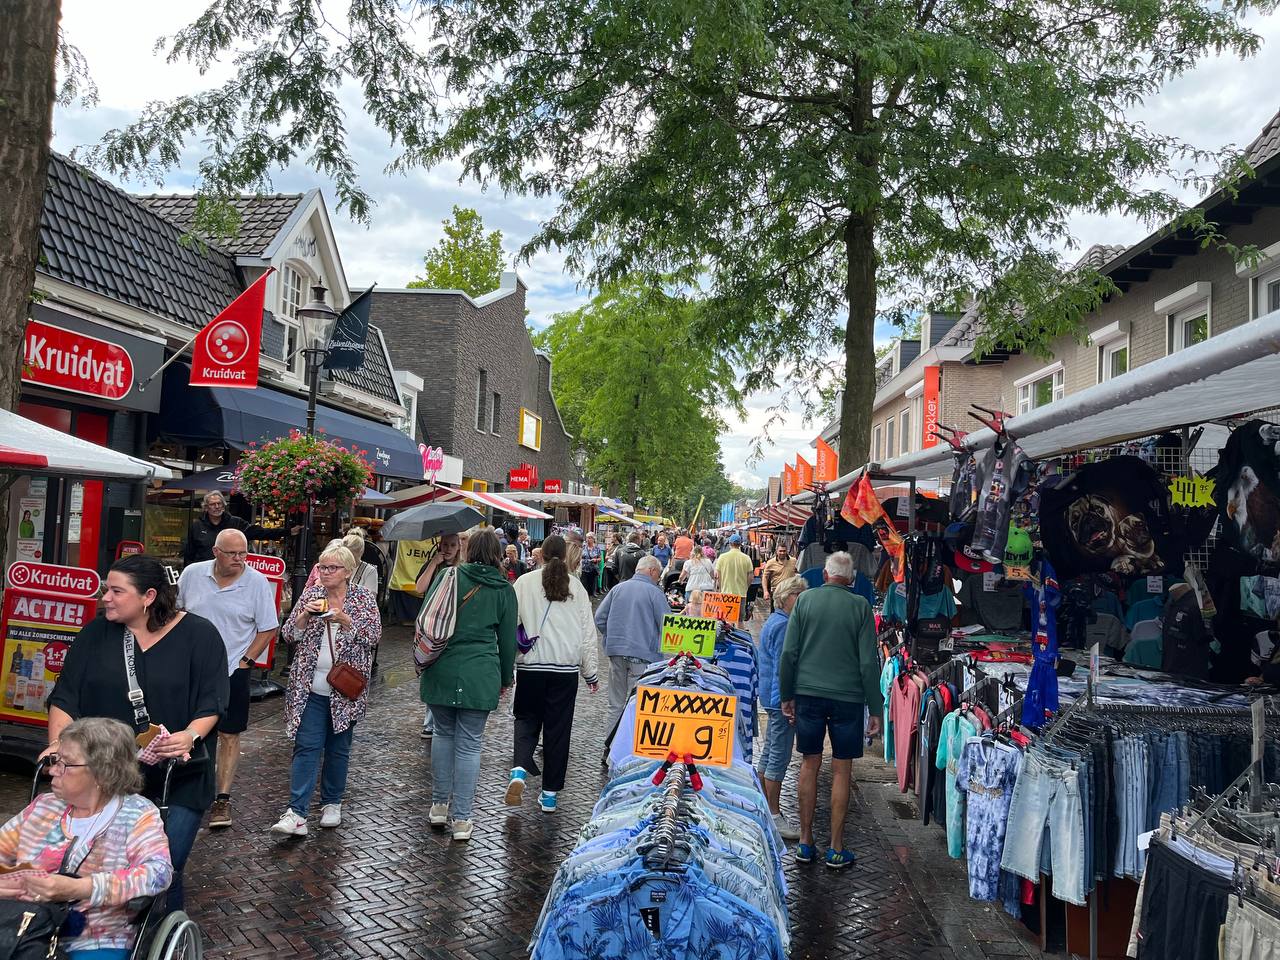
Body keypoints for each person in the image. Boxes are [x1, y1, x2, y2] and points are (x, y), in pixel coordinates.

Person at [47, 555, 227, 912]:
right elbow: (65, 696)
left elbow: (213, 700)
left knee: (162, 870)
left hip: (178, 777)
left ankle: (160, 931)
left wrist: (190, 735)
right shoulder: (96, 634)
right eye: (106, 589)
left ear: (148, 596)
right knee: (103, 868)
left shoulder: (200, 635)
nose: (106, 598)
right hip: (106, 777)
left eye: (117, 591)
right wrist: (57, 746)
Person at [0, 718, 172, 957]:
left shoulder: (137, 815)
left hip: (95, 936)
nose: (52, 770)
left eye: (66, 764)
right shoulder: (44, 806)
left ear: (101, 773)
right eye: (55, 760)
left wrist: (80, 888)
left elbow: (159, 873)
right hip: (22, 925)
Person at [779, 552, 883, 869]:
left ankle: (806, 842)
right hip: (848, 698)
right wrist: (875, 707)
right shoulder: (860, 607)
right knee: (841, 769)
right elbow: (868, 662)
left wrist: (787, 694)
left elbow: (789, 653)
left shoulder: (805, 601)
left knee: (809, 762)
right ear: (851, 579)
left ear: (825, 575)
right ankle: (836, 847)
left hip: (808, 693)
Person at [272, 544, 380, 836]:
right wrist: (303, 618)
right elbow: (288, 635)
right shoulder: (311, 595)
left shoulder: (363, 598)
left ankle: (332, 802)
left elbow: (373, 637)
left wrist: (345, 621)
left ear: (348, 572)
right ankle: (297, 813)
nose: (326, 572)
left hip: (344, 689)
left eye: (333, 568)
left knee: (338, 748)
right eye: (322, 567)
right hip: (309, 687)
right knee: (306, 746)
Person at [176, 528, 279, 830]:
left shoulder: (256, 582)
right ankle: (188, 790)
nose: (239, 559)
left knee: (229, 734)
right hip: (192, 670)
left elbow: (268, 627)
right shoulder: (192, 574)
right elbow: (177, 613)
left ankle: (222, 799)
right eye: (232, 553)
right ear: (216, 552)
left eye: (243, 553)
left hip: (233, 670)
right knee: (188, 729)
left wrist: (246, 661)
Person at [420, 529, 516, 841]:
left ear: (468, 550)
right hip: (480, 673)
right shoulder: (503, 589)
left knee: (442, 734)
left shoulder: (448, 576)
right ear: (497, 554)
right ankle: (462, 819)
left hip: (442, 668)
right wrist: (505, 678)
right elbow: (507, 642)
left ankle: (438, 806)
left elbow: (426, 618)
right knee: (470, 745)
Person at [507, 535, 599, 812]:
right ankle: (549, 795)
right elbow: (587, 633)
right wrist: (591, 672)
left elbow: (511, 623)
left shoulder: (524, 583)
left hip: (531, 666)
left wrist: (507, 664)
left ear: (541, 555)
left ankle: (519, 770)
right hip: (564, 670)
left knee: (526, 719)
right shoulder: (577, 588)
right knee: (558, 731)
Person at [594, 556, 669, 758]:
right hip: (643, 656)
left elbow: (599, 618)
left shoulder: (618, 589)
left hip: (616, 653)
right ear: (652, 571)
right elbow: (667, 625)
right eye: (658, 574)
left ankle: (610, 748)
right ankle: (630, 750)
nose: (658, 578)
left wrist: (611, 637)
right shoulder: (655, 593)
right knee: (639, 705)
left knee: (615, 704)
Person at [757, 576, 806, 841]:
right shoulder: (784, 625)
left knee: (770, 752)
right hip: (778, 700)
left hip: (771, 697)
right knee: (778, 754)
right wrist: (786, 701)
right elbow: (781, 667)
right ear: (787, 598)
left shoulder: (776, 621)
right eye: (799, 595)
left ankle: (765, 807)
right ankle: (774, 814)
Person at [414, 532, 463, 740]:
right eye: (445, 544)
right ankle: (430, 721)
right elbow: (419, 587)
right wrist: (433, 564)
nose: (448, 549)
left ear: (459, 547)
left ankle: (445, 717)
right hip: (430, 626)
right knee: (431, 668)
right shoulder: (433, 566)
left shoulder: (462, 569)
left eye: (452, 545)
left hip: (452, 626)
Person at [180, 491, 289, 566]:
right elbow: (189, 554)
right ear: (206, 507)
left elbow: (258, 532)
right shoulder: (197, 526)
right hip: (203, 573)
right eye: (213, 504)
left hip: (229, 574)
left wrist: (287, 532)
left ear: (223, 506)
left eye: (219, 504)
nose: (217, 507)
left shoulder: (235, 523)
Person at [713, 535, 755, 623]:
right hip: (741, 593)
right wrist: (745, 587)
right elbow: (751, 577)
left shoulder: (722, 557)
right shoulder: (746, 558)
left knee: (726, 620)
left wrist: (720, 589)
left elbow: (718, 576)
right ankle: (739, 632)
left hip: (726, 593)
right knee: (739, 621)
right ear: (740, 544)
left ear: (730, 544)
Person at [761, 544, 798, 609]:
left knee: (790, 611)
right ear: (776, 551)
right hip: (776, 592)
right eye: (780, 551)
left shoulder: (794, 561)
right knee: (776, 611)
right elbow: (765, 577)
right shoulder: (771, 562)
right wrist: (765, 591)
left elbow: (798, 573)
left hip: (790, 592)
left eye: (784, 551)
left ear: (787, 551)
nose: (782, 553)